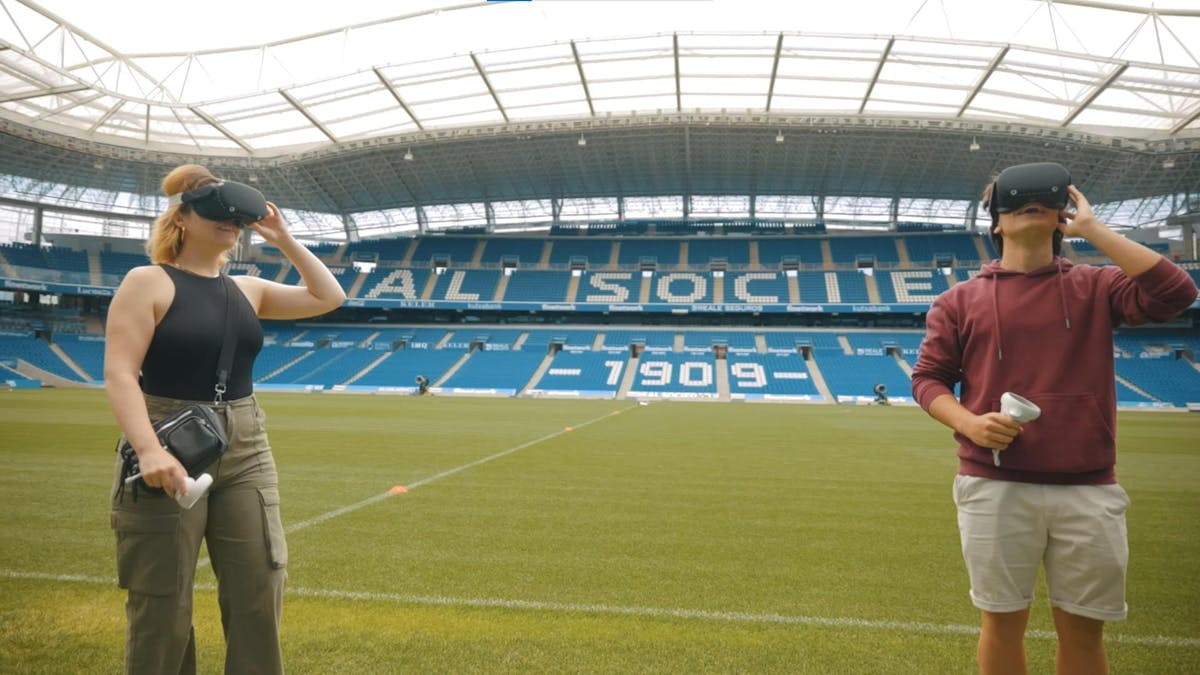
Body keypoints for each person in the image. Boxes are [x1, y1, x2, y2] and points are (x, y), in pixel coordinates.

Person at [910, 163, 1197, 675]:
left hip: (1087, 486)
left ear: (1063, 214)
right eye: (1016, 201)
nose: (1031, 205)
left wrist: (1093, 231)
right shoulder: (958, 301)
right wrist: (970, 423)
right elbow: (928, 379)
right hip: (993, 483)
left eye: (1046, 200)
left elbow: (1177, 293)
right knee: (1001, 623)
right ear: (996, 222)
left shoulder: (1098, 287)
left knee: (1085, 630)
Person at [104, 164, 346, 674]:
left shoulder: (248, 289)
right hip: (168, 437)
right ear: (183, 218)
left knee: (260, 584)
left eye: (239, 221)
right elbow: (121, 373)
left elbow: (329, 296)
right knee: (162, 596)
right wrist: (147, 449)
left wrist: (283, 237)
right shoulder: (148, 281)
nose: (233, 227)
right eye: (220, 216)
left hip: (246, 443)